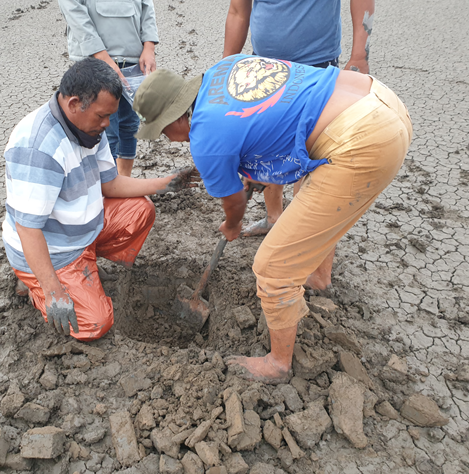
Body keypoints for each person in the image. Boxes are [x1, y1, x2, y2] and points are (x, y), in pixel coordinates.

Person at [133, 55, 412, 383]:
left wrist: (233, 225)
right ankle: (319, 278)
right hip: (380, 100)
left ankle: (278, 364)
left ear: (175, 116)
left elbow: (233, 202)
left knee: (272, 267)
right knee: (312, 201)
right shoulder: (224, 69)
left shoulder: (206, 138)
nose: (168, 139)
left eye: (163, 130)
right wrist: (257, 171)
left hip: (362, 139)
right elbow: (274, 119)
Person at [2, 58, 198, 341]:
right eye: (101, 117)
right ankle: (34, 285)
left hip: (82, 231)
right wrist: (54, 291)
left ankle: (86, 266)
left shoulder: (89, 129)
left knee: (140, 211)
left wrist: (166, 184)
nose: (108, 125)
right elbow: (28, 228)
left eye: (110, 116)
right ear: (73, 104)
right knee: (95, 323)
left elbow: (111, 183)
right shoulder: (39, 150)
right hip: (54, 250)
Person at [223, 0, 375, 236]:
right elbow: (237, 11)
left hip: (316, 67)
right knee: (267, 147)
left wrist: (359, 54)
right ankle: (273, 218)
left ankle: (300, 232)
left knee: (310, 150)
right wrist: (225, 69)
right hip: (265, 68)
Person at [57, 0, 159, 176]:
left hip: (133, 57)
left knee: (130, 124)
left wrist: (149, 45)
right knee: (104, 128)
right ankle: (104, 186)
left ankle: (123, 181)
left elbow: (146, 5)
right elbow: (73, 9)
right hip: (94, 58)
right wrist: (100, 54)